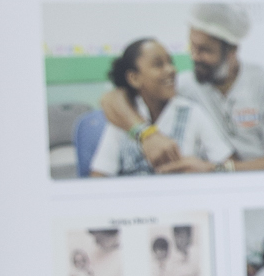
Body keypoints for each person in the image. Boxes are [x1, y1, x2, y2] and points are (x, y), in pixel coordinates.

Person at [173, 3, 264, 170]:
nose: (195, 57)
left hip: (263, 182)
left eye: (205, 50)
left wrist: (217, 170)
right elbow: (129, 96)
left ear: (232, 50)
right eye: (192, 47)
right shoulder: (185, 85)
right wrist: (145, 134)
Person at [89, 38, 229, 177]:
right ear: (134, 78)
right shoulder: (125, 114)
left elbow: (227, 164)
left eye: (170, 62)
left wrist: (209, 168)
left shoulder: (192, 112)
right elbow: (100, 175)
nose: (171, 70)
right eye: (158, 65)